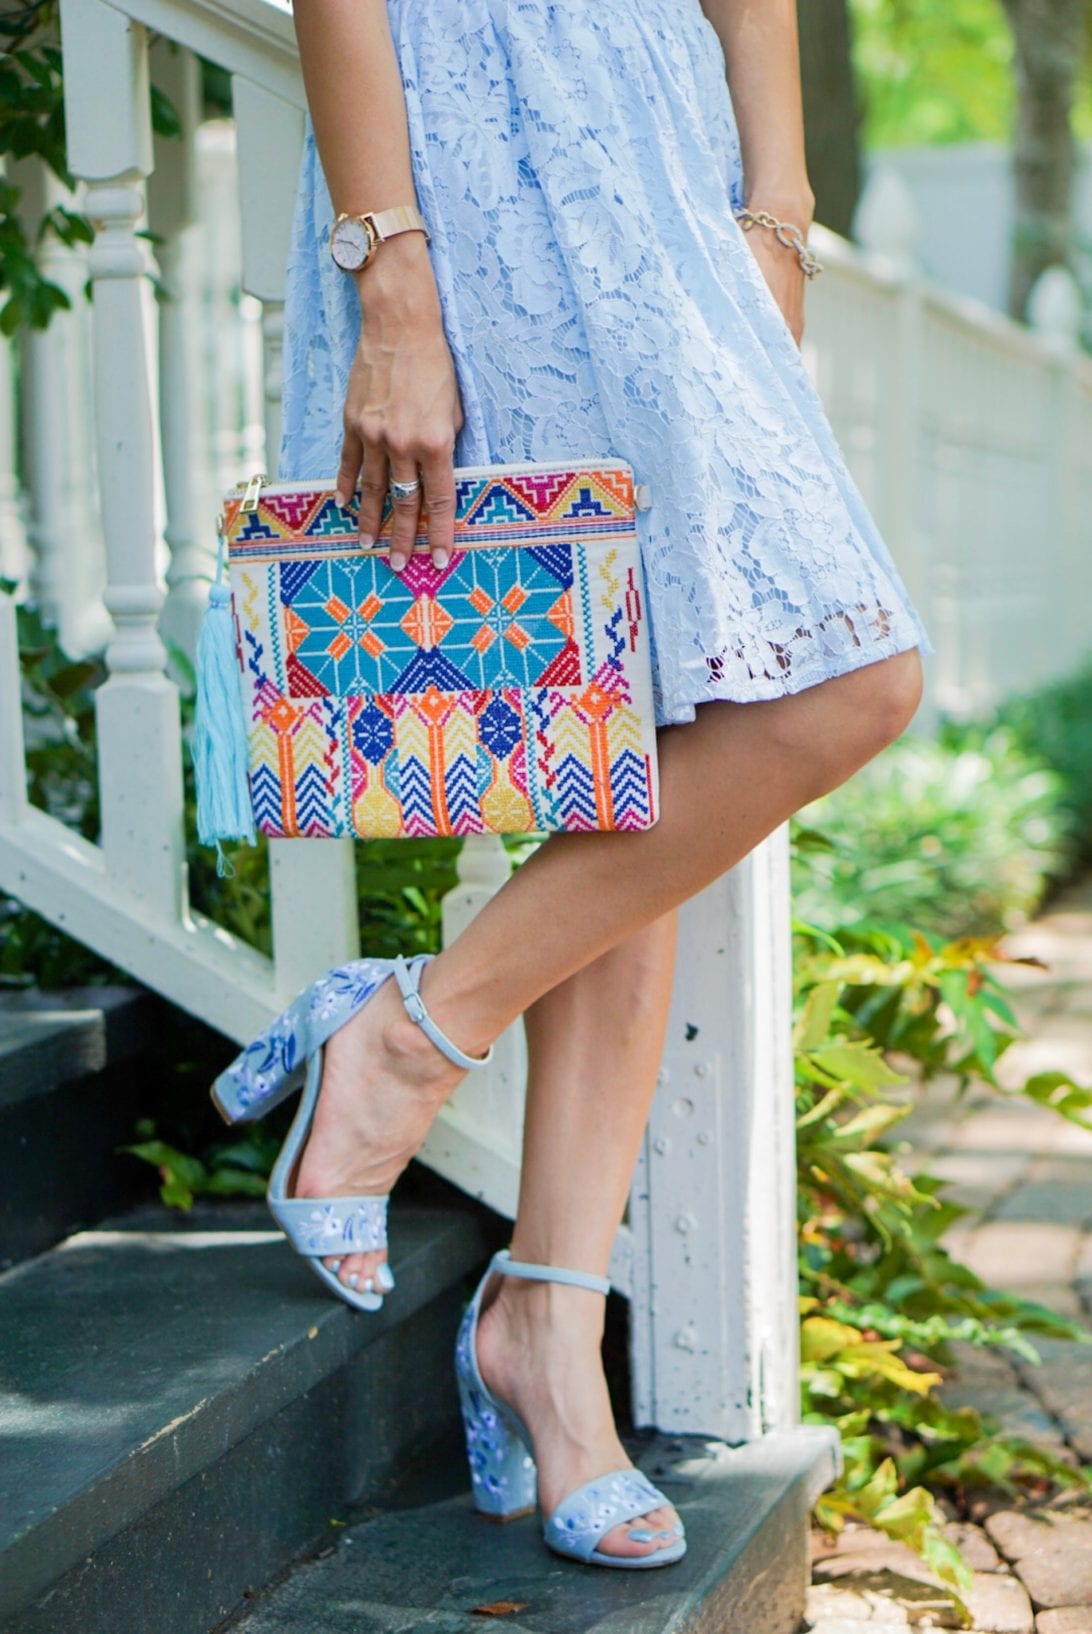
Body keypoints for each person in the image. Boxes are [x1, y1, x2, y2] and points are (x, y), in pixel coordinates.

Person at [215, 0, 930, 1572]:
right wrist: (389, 269)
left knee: (788, 696)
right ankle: (549, 1335)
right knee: (631, 738)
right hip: (466, 152)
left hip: (665, 150)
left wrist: (780, 215)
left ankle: (415, 1045)